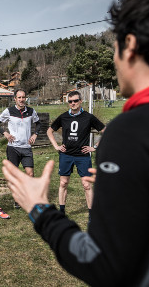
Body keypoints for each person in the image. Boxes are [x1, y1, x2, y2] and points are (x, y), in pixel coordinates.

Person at [2, 0, 149, 285]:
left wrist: (41, 210)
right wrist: (139, 184)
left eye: (115, 48)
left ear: (131, 45)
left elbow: (103, 265)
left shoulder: (134, 132)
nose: (114, 58)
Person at [46, 90, 105, 219]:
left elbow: (105, 131)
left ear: (80, 101)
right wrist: (56, 146)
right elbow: (49, 131)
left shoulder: (89, 117)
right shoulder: (63, 117)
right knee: (63, 183)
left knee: (86, 185)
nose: (73, 103)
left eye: (75, 101)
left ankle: (91, 214)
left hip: (83, 156)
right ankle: (61, 212)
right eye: (70, 101)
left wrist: (94, 147)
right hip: (66, 155)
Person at [0, 89, 41, 209]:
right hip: (13, 148)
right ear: (15, 99)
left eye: (23, 97)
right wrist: (4, 133)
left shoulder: (31, 111)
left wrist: (35, 134)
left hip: (26, 148)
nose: (22, 100)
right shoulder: (9, 111)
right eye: (19, 97)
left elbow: (39, 123)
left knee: (30, 173)